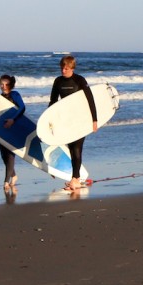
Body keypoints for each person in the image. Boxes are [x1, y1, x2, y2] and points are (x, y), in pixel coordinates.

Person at [50, 55, 98, 191]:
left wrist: (94, 120)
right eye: (62, 68)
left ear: (72, 68)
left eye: (66, 68)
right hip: (66, 120)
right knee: (71, 149)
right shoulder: (58, 81)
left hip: (80, 119)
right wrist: (50, 121)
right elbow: (53, 102)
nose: (63, 70)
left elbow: (90, 100)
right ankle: (75, 178)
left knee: (77, 149)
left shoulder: (79, 80)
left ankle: (75, 179)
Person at [0, 74, 25, 191]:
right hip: (2, 129)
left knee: (9, 155)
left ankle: (6, 181)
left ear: (11, 85)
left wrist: (13, 120)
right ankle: (13, 175)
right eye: (2, 84)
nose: (4, 86)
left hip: (13, 127)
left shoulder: (14, 94)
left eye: (6, 84)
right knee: (3, 155)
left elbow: (22, 108)